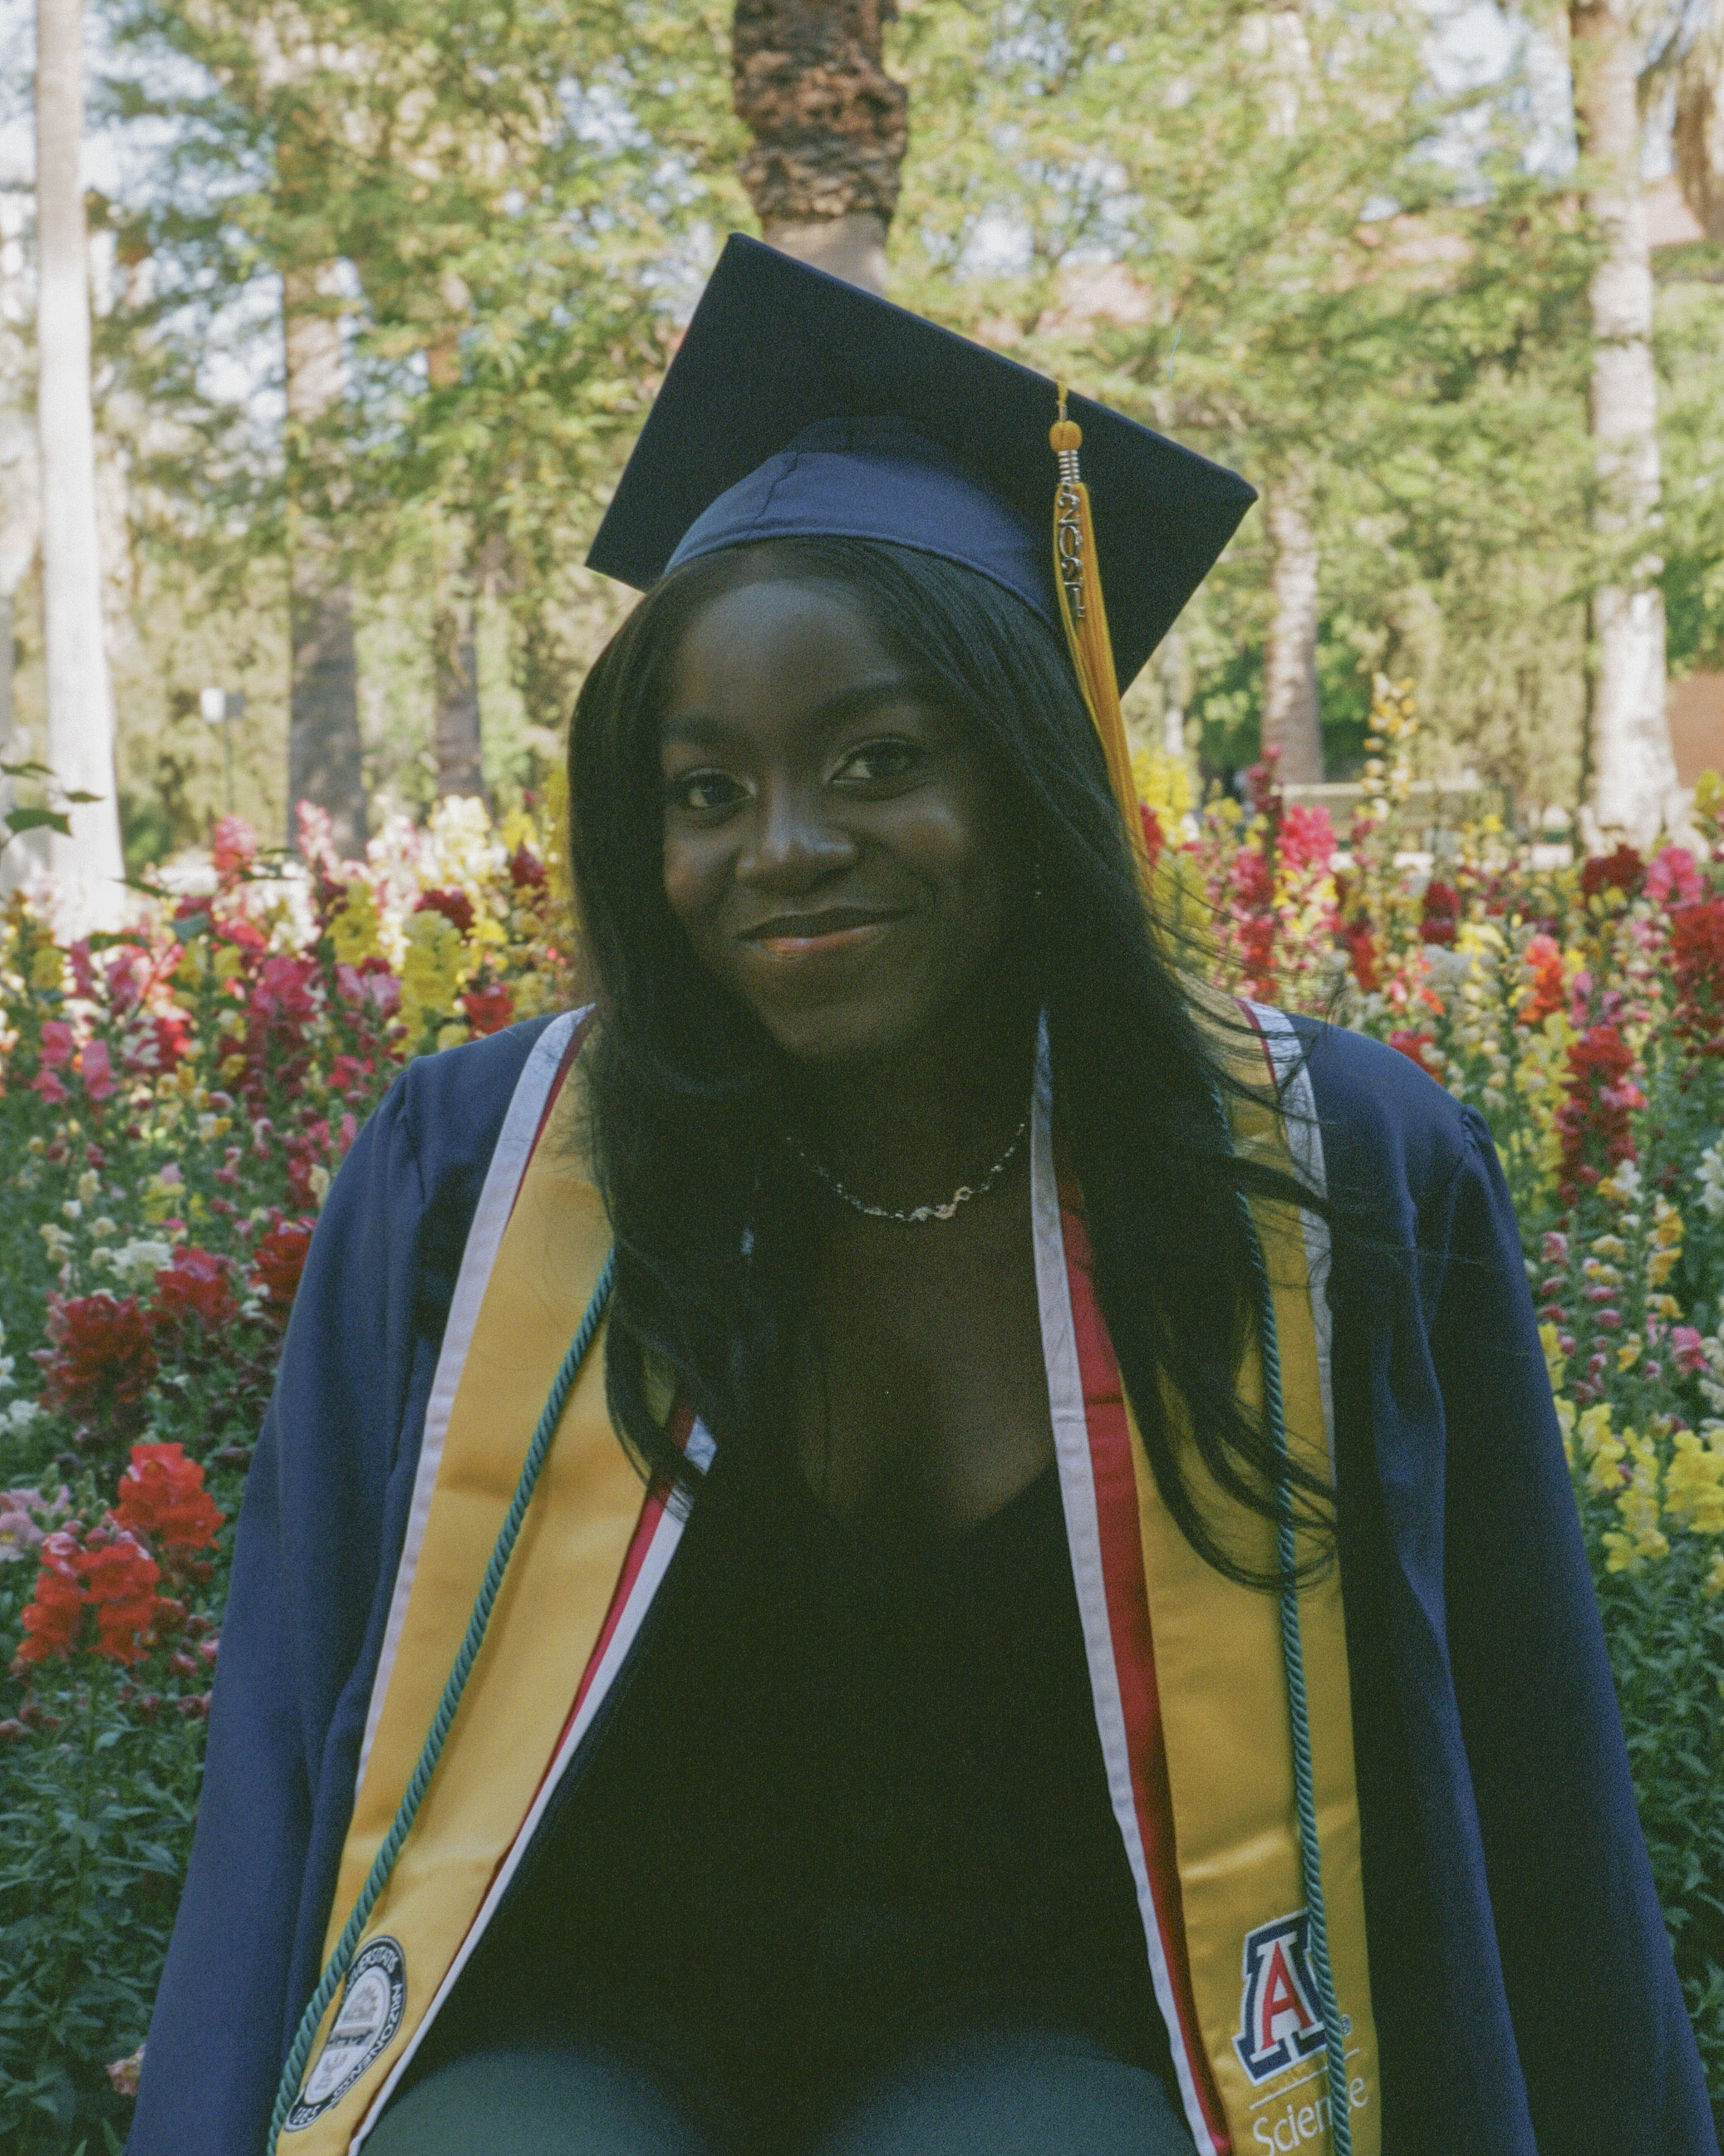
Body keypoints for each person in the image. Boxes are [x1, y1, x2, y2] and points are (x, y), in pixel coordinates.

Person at [128, 238, 1715, 2156]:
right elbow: (297, 1730)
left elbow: (1517, 1748)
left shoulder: (1314, 1167)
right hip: (570, 1990)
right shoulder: (477, 1166)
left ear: (1030, 770)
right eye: (704, 790)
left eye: (878, 760)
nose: (780, 850)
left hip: (1057, 2007)